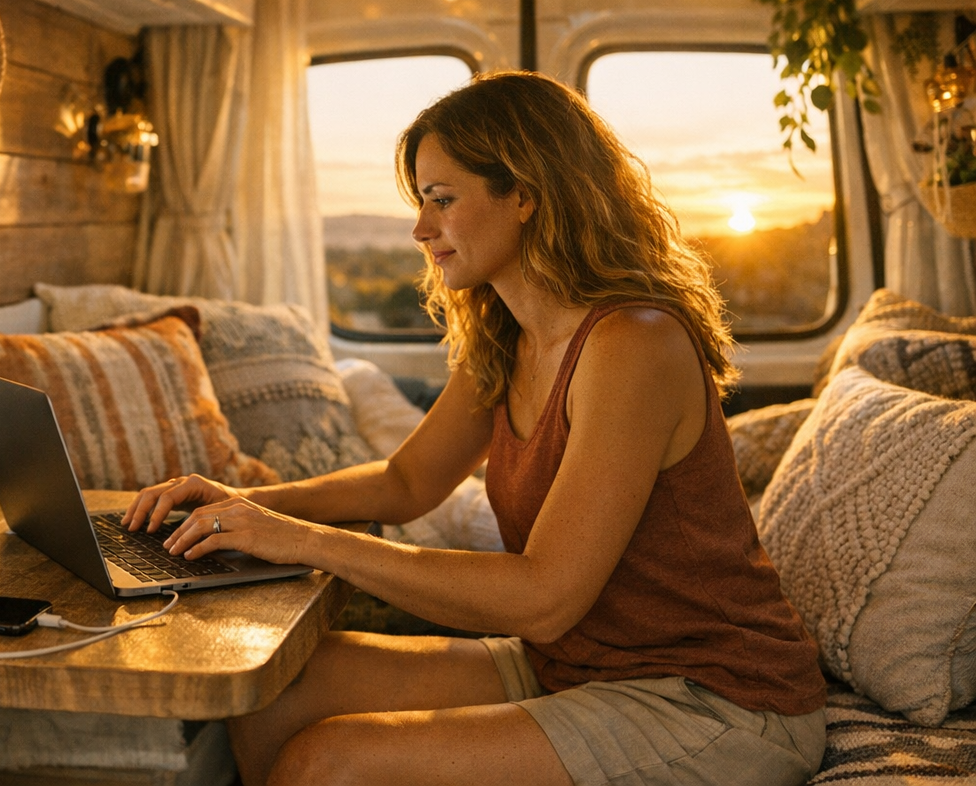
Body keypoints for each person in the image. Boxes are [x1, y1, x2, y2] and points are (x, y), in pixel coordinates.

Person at [122, 72, 827, 786]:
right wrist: (240, 507)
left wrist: (305, 543)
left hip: (713, 698)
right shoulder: (504, 335)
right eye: (421, 203)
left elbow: (544, 599)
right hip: (577, 663)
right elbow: (405, 483)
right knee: (276, 685)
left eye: (442, 200)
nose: (421, 229)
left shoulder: (633, 344)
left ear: (524, 194)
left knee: (327, 762)